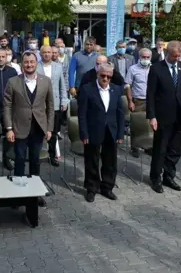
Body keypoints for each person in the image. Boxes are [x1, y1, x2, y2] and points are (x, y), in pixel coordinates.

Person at [3, 51, 54, 207]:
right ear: (22, 64)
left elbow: (51, 106)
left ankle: (35, 193)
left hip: (38, 128)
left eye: (32, 62)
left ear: (36, 63)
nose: (29, 65)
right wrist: (9, 128)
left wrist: (49, 128)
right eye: (26, 62)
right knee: (19, 161)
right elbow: (7, 106)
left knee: (35, 161)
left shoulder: (46, 81)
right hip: (19, 128)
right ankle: (18, 195)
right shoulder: (13, 82)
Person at [146, 41, 181, 194]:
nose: (177, 58)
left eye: (179, 56)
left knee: (175, 149)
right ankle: (156, 178)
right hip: (162, 116)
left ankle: (169, 175)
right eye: (174, 56)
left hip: (180, 116)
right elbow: (151, 95)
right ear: (167, 53)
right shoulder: (156, 69)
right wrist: (151, 116)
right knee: (160, 149)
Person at [78, 63, 125, 202]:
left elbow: (120, 113)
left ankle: (107, 187)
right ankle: (91, 188)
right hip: (93, 130)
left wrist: (120, 133)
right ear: (97, 74)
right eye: (103, 75)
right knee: (92, 160)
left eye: (108, 76)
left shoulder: (116, 90)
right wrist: (84, 133)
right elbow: (82, 114)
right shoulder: (87, 89)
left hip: (111, 130)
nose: (105, 79)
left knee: (110, 161)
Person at [38, 46, 68, 166]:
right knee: (38, 131)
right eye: (44, 52)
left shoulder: (58, 67)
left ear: (52, 54)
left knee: (53, 132)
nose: (46, 54)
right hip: (39, 105)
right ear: (40, 54)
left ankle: (51, 155)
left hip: (55, 104)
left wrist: (64, 101)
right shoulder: (36, 66)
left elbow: (62, 85)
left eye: (49, 52)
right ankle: (37, 154)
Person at [125, 48, 153, 157]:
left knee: (150, 125)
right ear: (139, 57)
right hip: (138, 100)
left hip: (151, 101)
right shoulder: (133, 69)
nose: (145, 59)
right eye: (143, 57)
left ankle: (148, 146)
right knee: (136, 125)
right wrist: (130, 101)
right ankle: (134, 147)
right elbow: (128, 85)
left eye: (147, 57)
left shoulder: (154, 69)